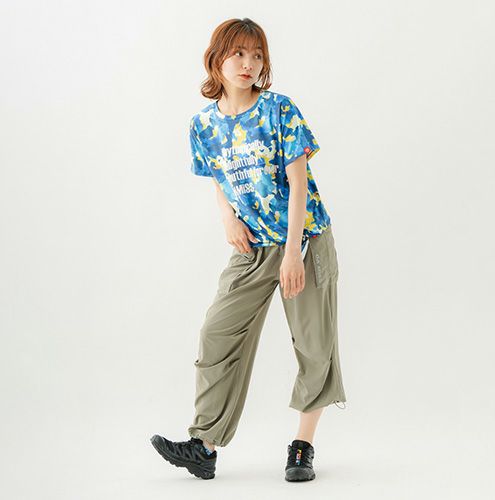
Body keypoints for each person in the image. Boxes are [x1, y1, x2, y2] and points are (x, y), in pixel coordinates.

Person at [150, 17, 347, 482]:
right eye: (238, 53)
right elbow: (218, 177)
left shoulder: (280, 110)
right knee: (217, 333)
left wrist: (294, 253)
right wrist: (227, 216)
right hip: (252, 247)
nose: (249, 64)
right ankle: (204, 446)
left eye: (257, 55)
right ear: (216, 59)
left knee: (314, 346)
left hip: (304, 240)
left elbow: (298, 184)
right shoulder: (202, 125)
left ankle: (302, 447)